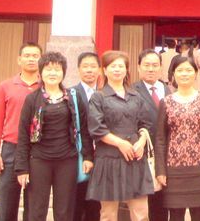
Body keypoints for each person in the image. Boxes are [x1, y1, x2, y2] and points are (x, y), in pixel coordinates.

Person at [14, 51, 94, 221]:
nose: (52, 73)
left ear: (63, 72)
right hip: (39, 160)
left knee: (64, 211)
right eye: (48, 69)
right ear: (41, 72)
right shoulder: (32, 99)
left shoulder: (73, 97)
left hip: (67, 160)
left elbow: (84, 129)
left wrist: (88, 156)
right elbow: (23, 135)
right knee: (37, 210)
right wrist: (22, 168)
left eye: (57, 69)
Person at [87, 50, 155, 221]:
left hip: (135, 158)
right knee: (108, 214)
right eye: (112, 66)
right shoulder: (98, 97)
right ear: (104, 70)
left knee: (141, 213)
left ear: (126, 70)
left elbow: (145, 124)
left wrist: (142, 141)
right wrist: (120, 143)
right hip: (108, 160)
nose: (117, 69)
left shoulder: (136, 96)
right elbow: (97, 129)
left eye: (121, 66)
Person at [155, 54, 200, 221]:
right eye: (180, 70)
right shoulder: (166, 102)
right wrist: (160, 170)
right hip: (173, 172)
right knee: (175, 216)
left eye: (188, 70)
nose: (184, 74)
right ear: (173, 74)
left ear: (196, 73)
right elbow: (160, 139)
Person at [0, 42, 42, 221]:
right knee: (7, 203)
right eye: (27, 55)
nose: (31, 59)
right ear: (19, 59)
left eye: (35, 56)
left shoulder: (46, 87)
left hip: (37, 150)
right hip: (11, 149)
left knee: (34, 206)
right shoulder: (6, 86)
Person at [133, 49, 172, 221]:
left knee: (163, 203)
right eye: (146, 65)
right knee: (143, 204)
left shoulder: (168, 90)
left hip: (167, 155)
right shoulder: (132, 91)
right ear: (138, 67)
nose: (151, 69)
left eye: (155, 65)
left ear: (161, 67)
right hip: (143, 155)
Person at [72, 52, 102, 221]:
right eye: (85, 66)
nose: (89, 70)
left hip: (102, 156)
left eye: (93, 66)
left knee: (95, 205)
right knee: (77, 202)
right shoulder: (71, 94)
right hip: (79, 156)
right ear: (78, 69)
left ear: (99, 70)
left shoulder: (105, 93)